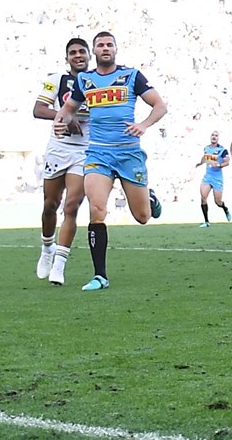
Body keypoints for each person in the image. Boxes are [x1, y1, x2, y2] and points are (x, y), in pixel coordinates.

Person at [50, 31, 167, 291]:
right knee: (97, 209)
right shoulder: (85, 80)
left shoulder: (131, 76)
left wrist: (143, 125)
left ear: (115, 49)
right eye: (100, 45)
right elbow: (68, 110)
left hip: (128, 153)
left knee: (142, 217)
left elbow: (159, 105)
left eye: (109, 45)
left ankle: (149, 198)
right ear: (95, 51)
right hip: (98, 154)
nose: (105, 48)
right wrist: (61, 123)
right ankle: (100, 275)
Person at [34, 38, 90, 283]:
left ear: (89, 56)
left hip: (86, 151)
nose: (78, 55)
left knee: (72, 206)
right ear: (67, 58)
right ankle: (47, 248)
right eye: (73, 52)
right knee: (50, 205)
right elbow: (38, 109)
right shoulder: (56, 80)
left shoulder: (99, 81)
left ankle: (59, 264)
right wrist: (64, 116)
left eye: (82, 52)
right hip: (59, 148)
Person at [193, 131, 231, 228]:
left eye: (216, 136)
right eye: (213, 135)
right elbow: (205, 157)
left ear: (218, 138)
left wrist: (219, 165)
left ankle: (225, 208)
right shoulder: (206, 148)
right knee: (203, 197)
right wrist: (200, 163)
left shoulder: (222, 150)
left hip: (217, 178)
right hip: (208, 177)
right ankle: (206, 221)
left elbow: (227, 162)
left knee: (218, 202)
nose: (214, 137)